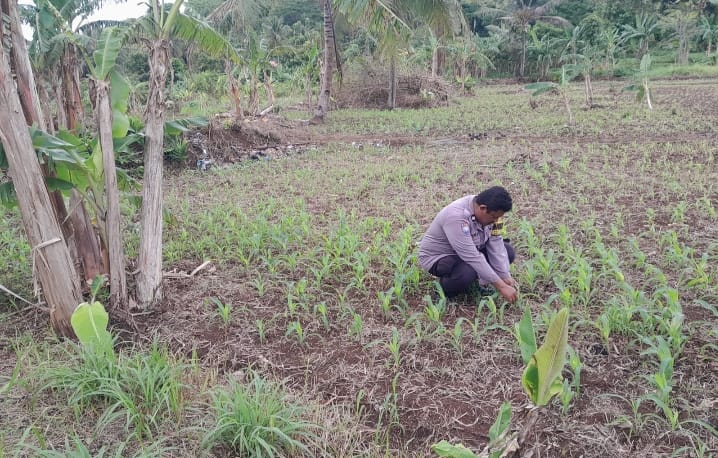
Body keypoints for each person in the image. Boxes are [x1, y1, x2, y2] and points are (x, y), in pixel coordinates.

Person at [418, 186, 518, 303]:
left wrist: (504, 276)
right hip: (440, 257)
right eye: (494, 217)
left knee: (508, 252)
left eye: (499, 217)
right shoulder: (456, 217)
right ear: (482, 208)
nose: (496, 221)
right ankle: (444, 290)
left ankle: (473, 284)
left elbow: (496, 243)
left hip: (470, 251)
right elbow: (472, 256)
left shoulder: (493, 212)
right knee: (467, 272)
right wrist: (501, 286)